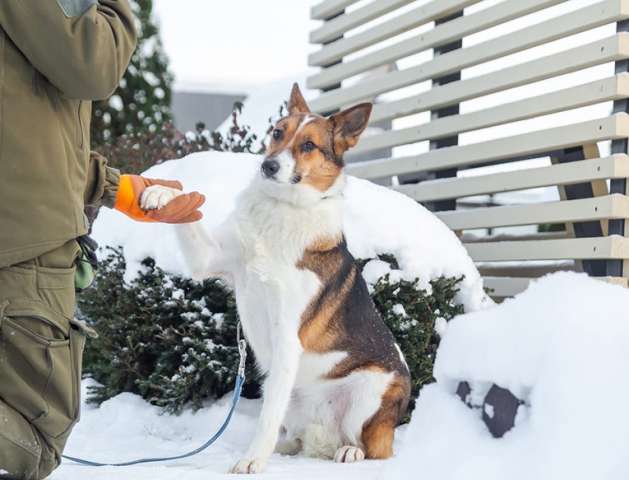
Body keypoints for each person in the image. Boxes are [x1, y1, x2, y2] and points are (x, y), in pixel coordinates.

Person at [0, 2, 205, 479]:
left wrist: (121, 190)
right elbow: (93, 61)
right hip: (20, 251)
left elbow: (25, 129)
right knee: (31, 441)